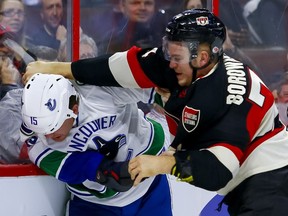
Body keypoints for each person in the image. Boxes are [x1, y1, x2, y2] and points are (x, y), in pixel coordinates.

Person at [24, 9, 288, 215]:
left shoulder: (232, 97)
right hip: (236, 181)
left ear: (203, 58)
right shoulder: (185, 63)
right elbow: (120, 67)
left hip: (267, 175)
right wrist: (58, 67)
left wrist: (162, 163)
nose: (168, 63)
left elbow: (219, 169)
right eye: (168, 53)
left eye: (176, 57)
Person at [20, 73, 172, 215]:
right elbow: (116, 178)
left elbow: (164, 93)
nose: (47, 135)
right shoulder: (39, 148)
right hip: (99, 204)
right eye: (39, 130)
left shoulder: (98, 89)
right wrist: (163, 164)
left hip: (151, 186)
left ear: (74, 109)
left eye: (52, 128)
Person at [99, 0, 168, 54]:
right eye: (135, 3)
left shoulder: (166, 36)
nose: (142, 8)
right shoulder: (111, 38)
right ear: (123, 6)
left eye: (148, 3)